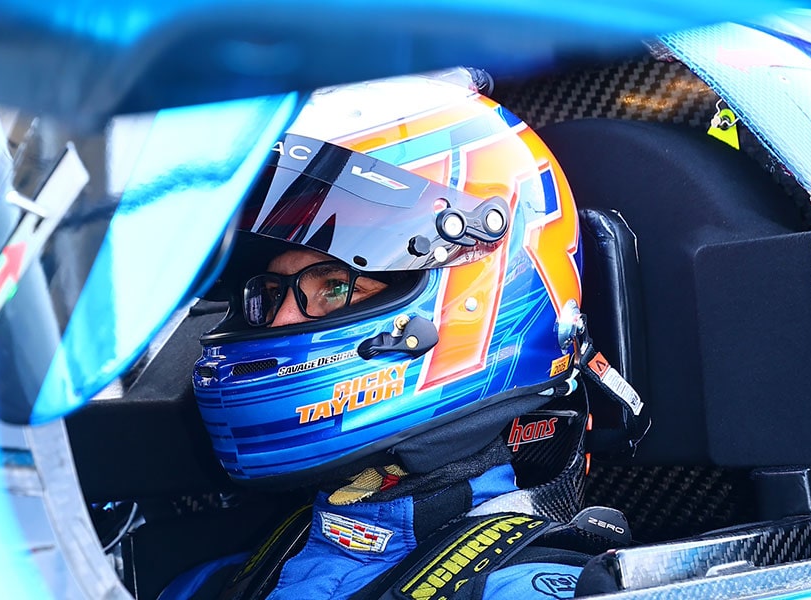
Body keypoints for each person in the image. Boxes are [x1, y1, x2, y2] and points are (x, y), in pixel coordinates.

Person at [162, 68, 647, 600]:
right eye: (271, 293)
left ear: (476, 294)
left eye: (337, 287)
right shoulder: (207, 585)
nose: (279, 323)